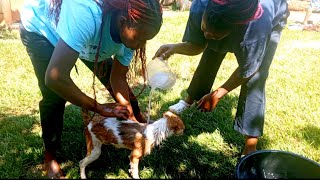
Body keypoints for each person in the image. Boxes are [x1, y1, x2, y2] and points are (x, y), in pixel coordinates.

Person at [19, 0, 162, 178]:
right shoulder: (87, 14)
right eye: (140, 38)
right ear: (122, 21)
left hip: (87, 38)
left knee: (110, 75)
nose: (142, 44)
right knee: (54, 97)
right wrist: (97, 107)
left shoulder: (130, 36)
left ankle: (139, 118)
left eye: (146, 39)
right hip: (44, 30)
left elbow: (117, 78)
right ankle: (50, 156)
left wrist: (131, 118)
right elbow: (55, 78)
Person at [153, 0, 289, 158]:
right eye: (204, 29)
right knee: (212, 50)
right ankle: (190, 100)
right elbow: (198, 45)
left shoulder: (256, 30)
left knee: (256, 79)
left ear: (234, 29)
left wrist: (219, 93)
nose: (206, 36)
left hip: (269, 18)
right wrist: (174, 48)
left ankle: (250, 144)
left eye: (215, 35)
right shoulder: (200, 7)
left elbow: (249, 69)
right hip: (224, 21)